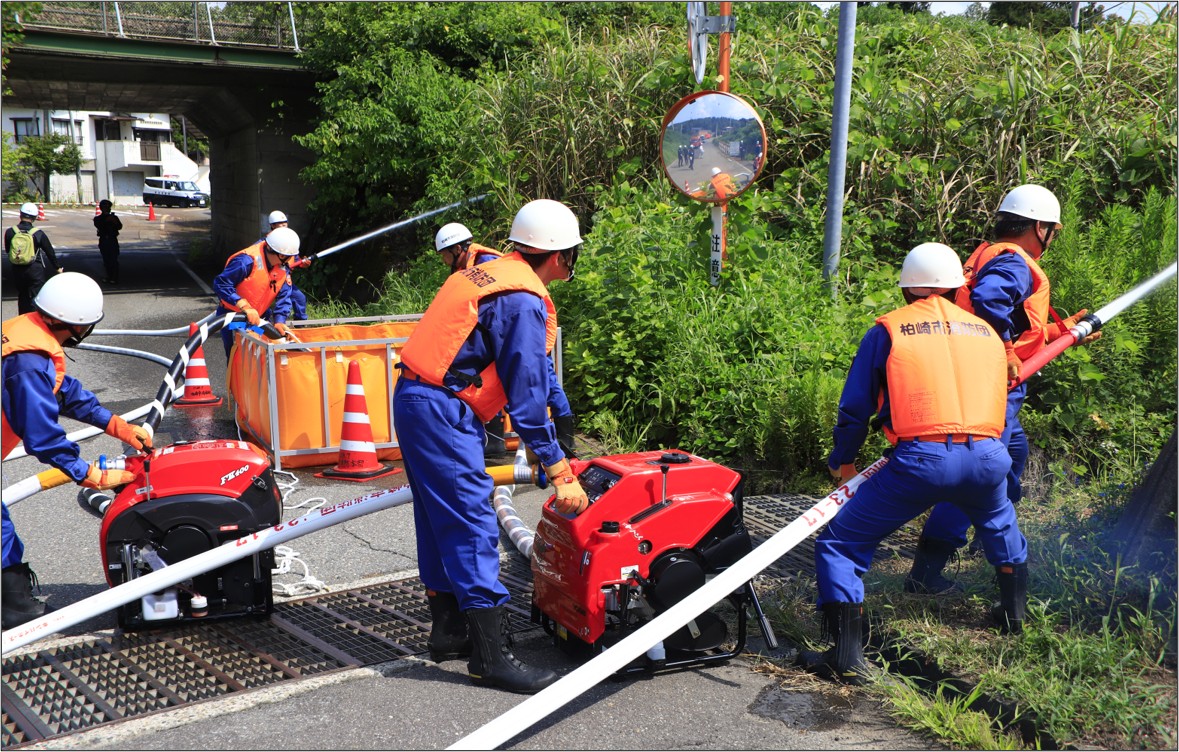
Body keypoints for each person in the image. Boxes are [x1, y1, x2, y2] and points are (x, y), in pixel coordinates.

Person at [799, 243, 1028, 685]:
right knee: (1002, 529)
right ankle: (1013, 619)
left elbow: (855, 408)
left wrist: (843, 461)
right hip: (987, 455)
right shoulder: (988, 332)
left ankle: (845, 656)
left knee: (840, 545)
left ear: (907, 289)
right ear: (959, 287)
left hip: (920, 460)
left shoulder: (889, 330)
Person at [395, 199, 588, 694]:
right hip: (443, 410)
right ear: (559, 255)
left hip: (417, 398)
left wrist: (558, 427)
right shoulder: (522, 299)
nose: (571, 266)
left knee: (438, 519)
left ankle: (449, 630)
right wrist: (560, 470)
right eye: (572, 255)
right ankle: (492, 657)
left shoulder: (488, 273)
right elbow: (526, 398)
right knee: (472, 522)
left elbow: (533, 376)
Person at [905, 184, 1100, 594]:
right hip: (992, 385)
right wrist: (1008, 349)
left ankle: (989, 535)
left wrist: (1063, 332)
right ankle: (927, 573)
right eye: (1053, 231)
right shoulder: (1014, 263)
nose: (1053, 239)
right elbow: (991, 303)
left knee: (1014, 455)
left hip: (983, 377)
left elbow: (1016, 323)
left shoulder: (991, 254)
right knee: (979, 475)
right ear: (1040, 227)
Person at [2, 272, 150, 629]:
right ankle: (14, 609)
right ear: (80, 326)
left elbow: (62, 390)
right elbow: (43, 437)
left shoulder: (28, 331)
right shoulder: (28, 362)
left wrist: (116, 424)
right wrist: (90, 475)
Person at [433, 222, 576, 457]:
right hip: (514, 332)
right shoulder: (471, 266)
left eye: (445, 256)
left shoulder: (486, 265)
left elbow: (505, 310)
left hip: (523, 333)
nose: (444, 261)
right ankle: (500, 443)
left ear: (456, 249)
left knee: (545, 382)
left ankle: (564, 441)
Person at [212, 226, 299, 358]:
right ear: (281, 255)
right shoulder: (246, 262)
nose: (290, 261)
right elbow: (221, 283)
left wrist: (280, 321)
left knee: (263, 356)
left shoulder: (282, 268)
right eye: (289, 257)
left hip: (259, 319)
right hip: (233, 318)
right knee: (238, 358)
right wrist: (243, 305)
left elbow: (284, 297)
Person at [5, 203, 62, 315]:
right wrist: (57, 268)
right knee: (36, 298)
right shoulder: (38, 233)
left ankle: (23, 320)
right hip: (34, 270)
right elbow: (50, 252)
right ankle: (35, 323)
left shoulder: (10, 232)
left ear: (20, 214)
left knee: (22, 296)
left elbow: (8, 250)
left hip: (17, 269)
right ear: (35, 217)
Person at [263, 211, 312, 322]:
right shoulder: (266, 243)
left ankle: (300, 325)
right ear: (272, 226)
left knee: (300, 299)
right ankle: (264, 331)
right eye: (280, 224)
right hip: (268, 281)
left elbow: (294, 259)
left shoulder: (289, 241)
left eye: (285, 223)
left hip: (284, 280)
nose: (284, 226)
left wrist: (302, 262)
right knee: (263, 310)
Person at [93, 199, 123, 285]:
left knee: (114, 259)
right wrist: (107, 219)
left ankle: (114, 277)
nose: (107, 209)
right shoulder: (98, 218)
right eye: (105, 207)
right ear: (102, 208)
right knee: (106, 260)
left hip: (112, 240)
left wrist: (113, 221)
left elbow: (119, 227)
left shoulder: (114, 218)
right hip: (104, 240)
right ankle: (109, 276)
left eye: (108, 207)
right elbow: (99, 225)